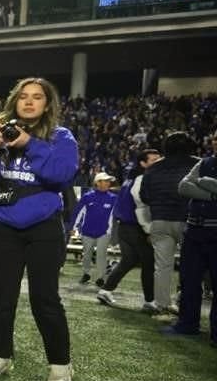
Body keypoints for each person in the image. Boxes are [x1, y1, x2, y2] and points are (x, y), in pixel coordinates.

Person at [0, 77, 78, 381]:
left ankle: (60, 363)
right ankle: (1, 356)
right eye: (23, 97)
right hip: (5, 226)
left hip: (44, 227)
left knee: (44, 298)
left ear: (47, 105)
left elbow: (61, 175)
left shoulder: (61, 137)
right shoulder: (1, 133)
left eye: (37, 97)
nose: (29, 102)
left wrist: (28, 144)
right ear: (14, 102)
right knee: (4, 298)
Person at [139, 132, 199, 314]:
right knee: (193, 265)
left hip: (160, 220)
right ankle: (186, 303)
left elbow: (144, 196)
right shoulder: (198, 163)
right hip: (189, 220)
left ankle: (162, 303)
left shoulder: (154, 168)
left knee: (162, 266)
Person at [162, 152, 217, 345]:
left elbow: (192, 184)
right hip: (194, 230)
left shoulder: (203, 165)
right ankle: (187, 324)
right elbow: (184, 186)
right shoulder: (205, 162)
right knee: (189, 280)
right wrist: (212, 193)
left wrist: (201, 181)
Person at [97, 149, 160, 310]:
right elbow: (141, 206)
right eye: (153, 160)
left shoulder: (131, 178)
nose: (158, 162)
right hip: (135, 226)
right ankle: (150, 301)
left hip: (124, 226)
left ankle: (106, 290)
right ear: (143, 163)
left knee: (129, 260)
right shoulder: (142, 178)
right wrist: (148, 229)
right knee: (148, 261)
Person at [72, 172, 117, 286]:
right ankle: (86, 274)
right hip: (87, 231)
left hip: (104, 232)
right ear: (98, 183)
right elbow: (78, 212)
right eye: (105, 181)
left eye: (108, 181)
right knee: (87, 254)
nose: (108, 183)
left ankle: (101, 278)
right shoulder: (87, 197)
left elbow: (115, 217)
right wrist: (73, 227)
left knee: (101, 255)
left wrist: (113, 232)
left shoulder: (113, 198)